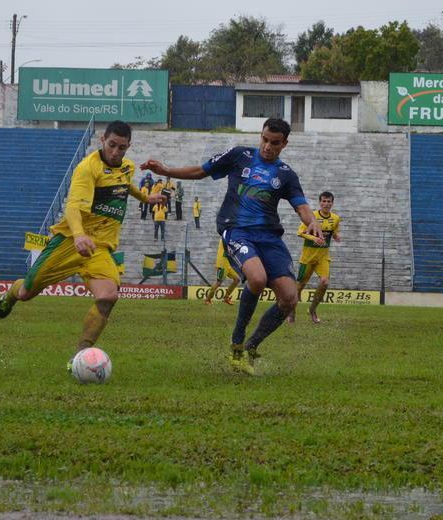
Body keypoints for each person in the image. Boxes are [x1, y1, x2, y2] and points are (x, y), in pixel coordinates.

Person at [141, 117, 324, 375]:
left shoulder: (286, 174)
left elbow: (301, 205)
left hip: (270, 237)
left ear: (284, 144)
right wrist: (166, 171)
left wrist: (312, 221)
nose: (267, 146)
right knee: (257, 279)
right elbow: (200, 170)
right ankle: (236, 342)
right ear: (260, 135)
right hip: (236, 229)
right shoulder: (240, 156)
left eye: (274, 143)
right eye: (264, 139)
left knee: (290, 298)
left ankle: (251, 345)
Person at [0, 121, 164, 363]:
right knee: (26, 293)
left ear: (129, 147)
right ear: (102, 140)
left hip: (99, 247)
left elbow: (125, 186)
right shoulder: (87, 169)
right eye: (112, 145)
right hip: (69, 242)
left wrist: (147, 198)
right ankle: (11, 294)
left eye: (122, 147)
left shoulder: (127, 167)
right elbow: (73, 206)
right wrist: (79, 235)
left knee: (108, 297)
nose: (116, 152)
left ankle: (80, 357)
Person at [289, 191, 341, 324]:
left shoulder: (335, 218)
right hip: (307, 258)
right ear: (320, 202)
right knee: (299, 287)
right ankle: (291, 312)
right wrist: (314, 238)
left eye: (329, 201)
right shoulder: (311, 217)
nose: (326, 204)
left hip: (323, 258)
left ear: (332, 203)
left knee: (324, 282)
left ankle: (312, 310)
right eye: (324, 201)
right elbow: (300, 232)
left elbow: (334, 232)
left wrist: (336, 236)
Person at [205, 239, 240, 305]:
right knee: (218, 283)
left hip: (228, 264)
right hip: (222, 264)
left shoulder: (231, 238)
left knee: (237, 279)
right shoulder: (225, 238)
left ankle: (226, 298)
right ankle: (208, 299)